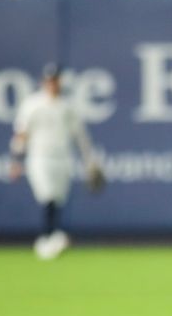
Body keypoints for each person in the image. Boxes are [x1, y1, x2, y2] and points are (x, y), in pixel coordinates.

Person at [9, 64, 104, 260]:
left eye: (56, 80)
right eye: (50, 80)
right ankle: (47, 238)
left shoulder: (67, 106)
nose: (53, 83)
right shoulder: (32, 104)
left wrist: (90, 161)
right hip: (39, 157)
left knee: (58, 199)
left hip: (62, 158)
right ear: (44, 82)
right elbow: (21, 134)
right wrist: (16, 160)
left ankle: (50, 238)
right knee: (48, 196)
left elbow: (81, 137)